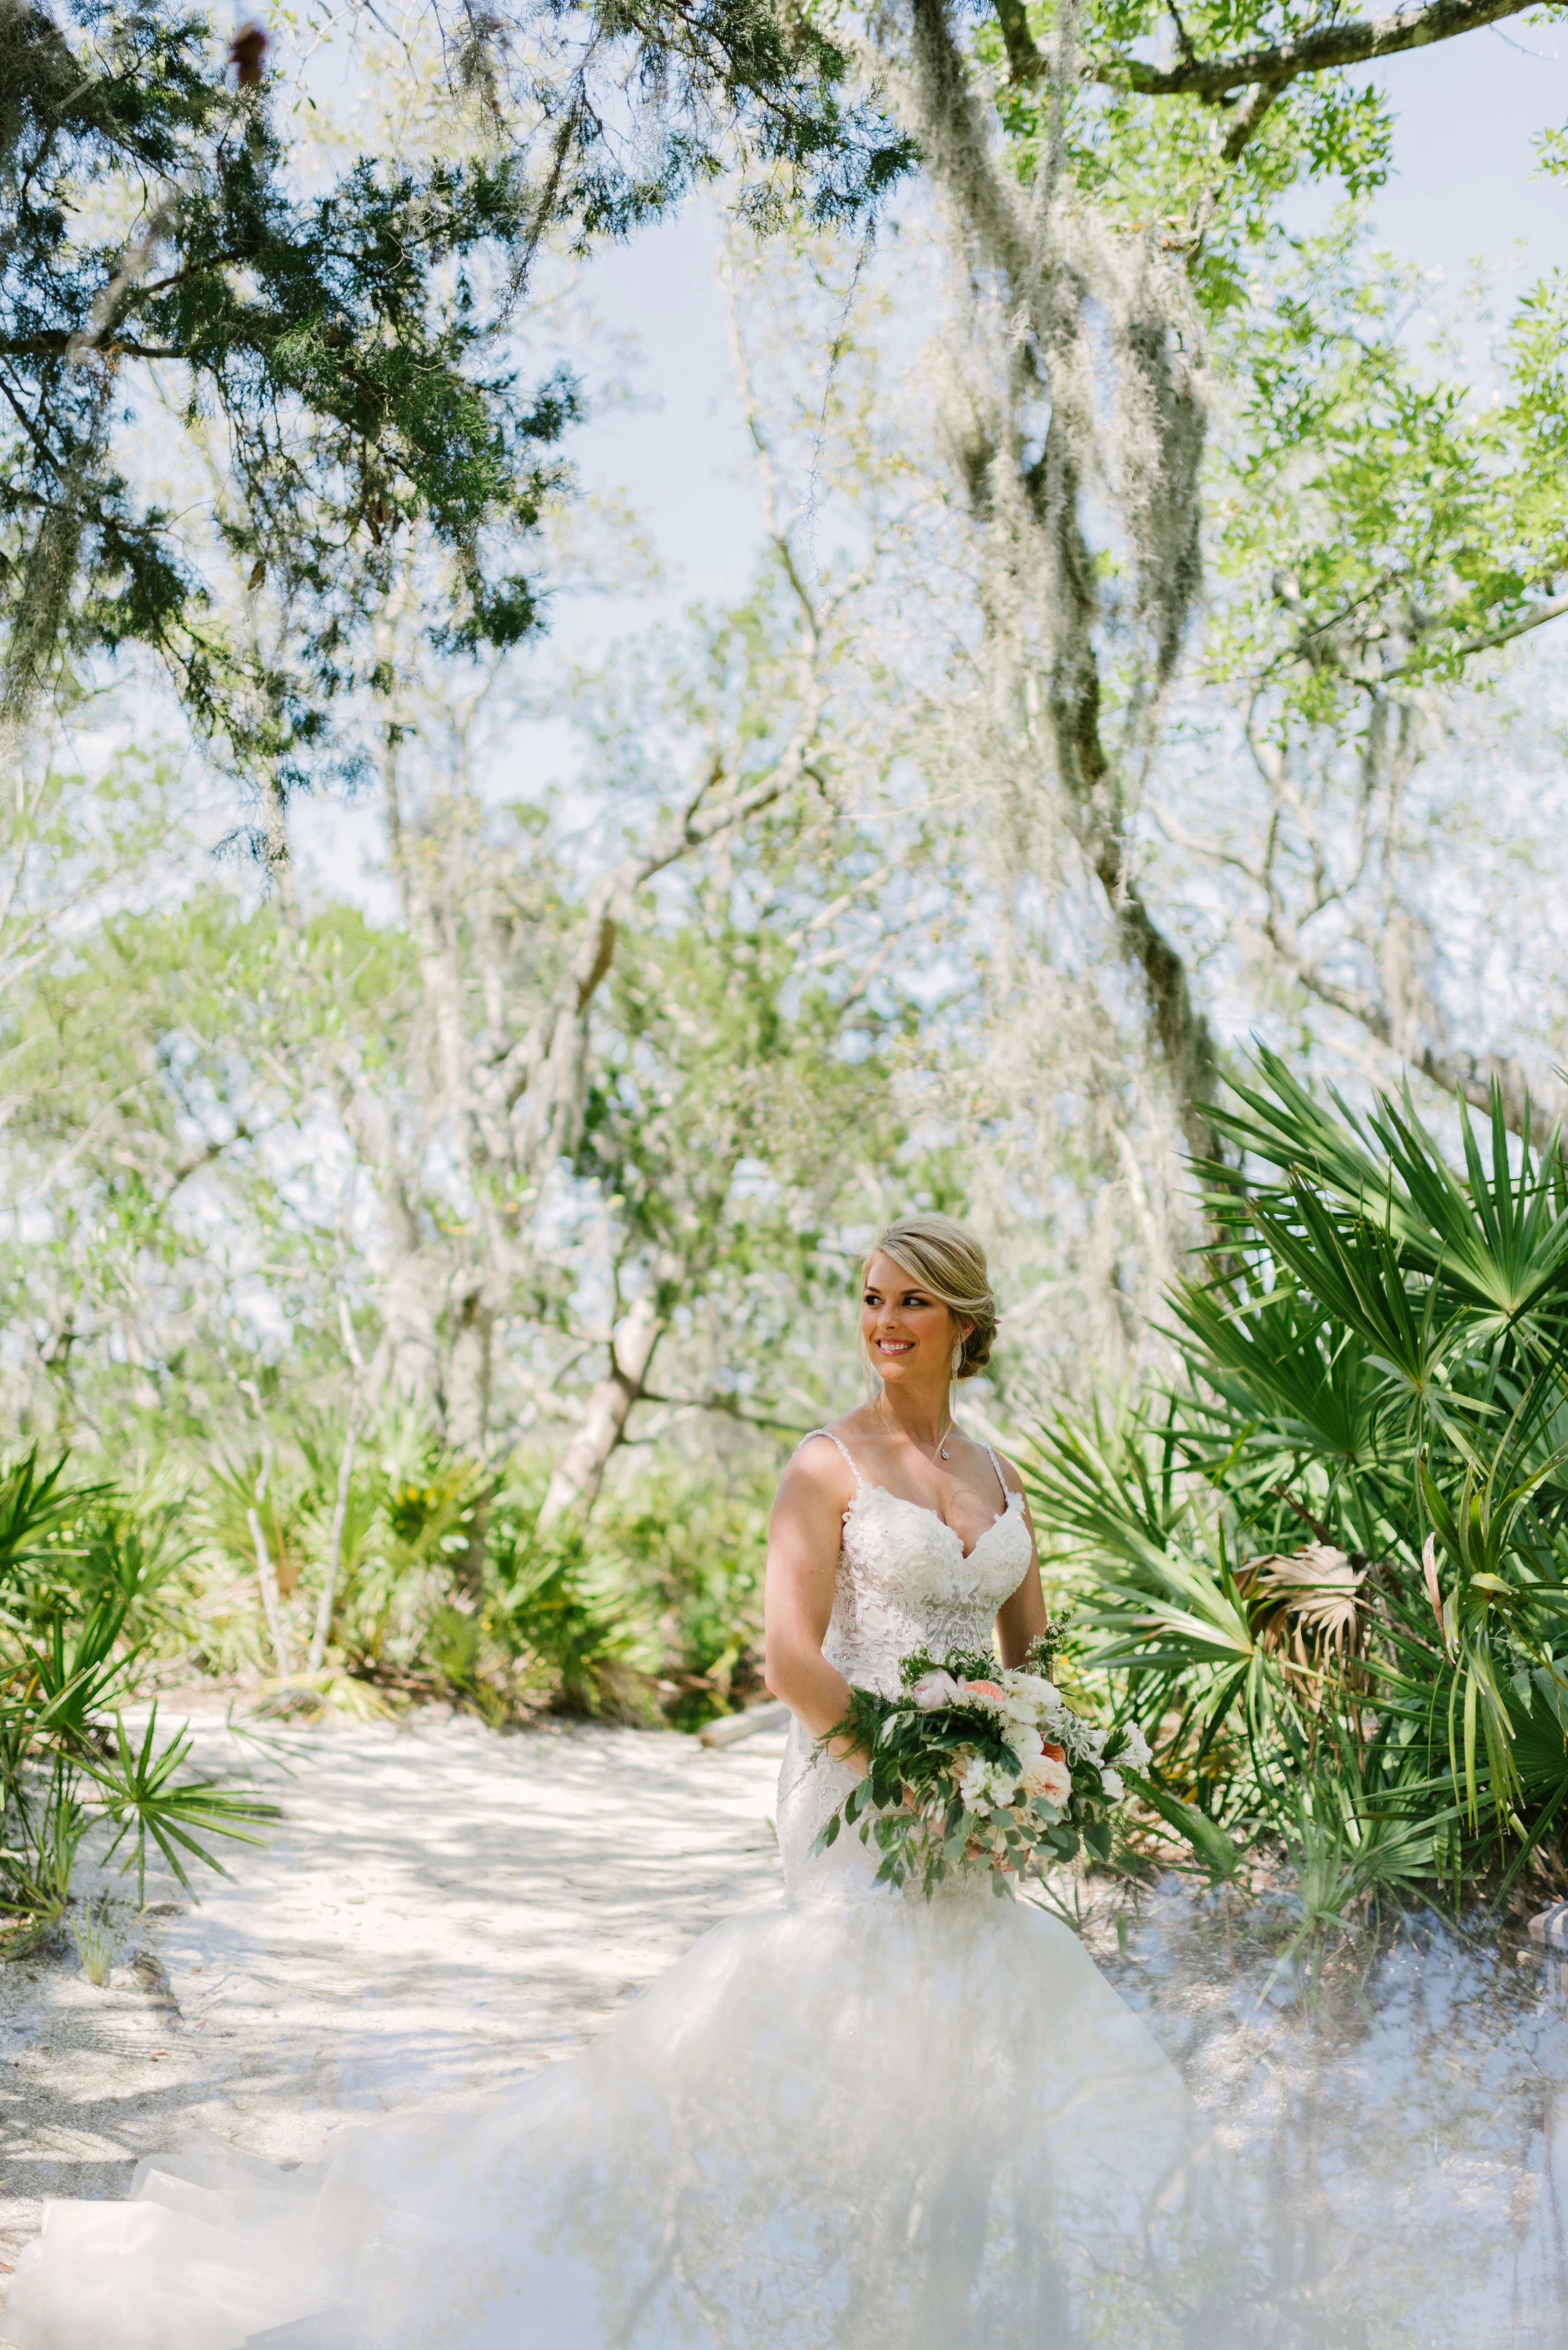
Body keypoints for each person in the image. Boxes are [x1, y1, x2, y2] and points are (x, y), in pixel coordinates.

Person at [1, 1218, 1301, 2348]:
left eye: (910, 1298)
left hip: (974, 1809)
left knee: (977, 2047)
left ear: (966, 1319)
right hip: (857, 1794)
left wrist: (1029, 1752)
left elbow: (1026, 1644)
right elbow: (788, 1658)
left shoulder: (997, 1471)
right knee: (845, 2027)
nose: (883, 1321)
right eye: (867, 1296)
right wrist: (902, 1764)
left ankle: (934, 2303)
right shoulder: (824, 1465)